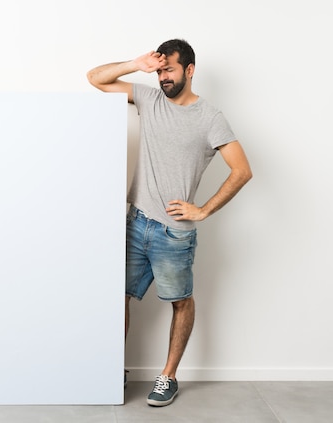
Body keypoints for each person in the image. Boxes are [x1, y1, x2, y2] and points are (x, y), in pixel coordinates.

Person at [86, 39, 252, 407]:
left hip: (174, 233)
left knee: (180, 301)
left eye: (169, 70)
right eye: (160, 70)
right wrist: (135, 63)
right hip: (136, 222)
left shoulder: (210, 117)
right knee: (117, 297)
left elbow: (242, 171)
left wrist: (203, 209)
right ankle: (113, 367)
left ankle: (168, 376)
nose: (163, 77)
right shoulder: (148, 98)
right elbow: (95, 79)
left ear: (189, 71)